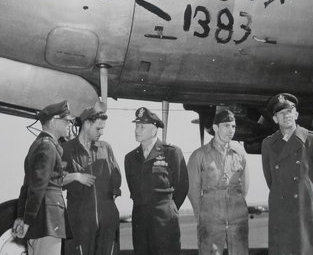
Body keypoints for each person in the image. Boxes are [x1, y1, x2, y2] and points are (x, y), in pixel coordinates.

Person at [261, 93, 313, 255]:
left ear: (296, 114)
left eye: (289, 111)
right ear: (275, 119)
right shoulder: (268, 144)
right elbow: (271, 179)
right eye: (281, 113)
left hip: (305, 207)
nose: (286, 116)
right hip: (281, 209)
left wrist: (307, 194)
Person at [124, 107, 189, 255]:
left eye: (142, 127)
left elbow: (182, 186)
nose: (137, 130)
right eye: (136, 126)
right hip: (140, 221)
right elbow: (134, 189)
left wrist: (168, 208)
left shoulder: (172, 152)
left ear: (154, 130)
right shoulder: (130, 158)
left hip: (164, 220)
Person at [13, 100, 74, 255]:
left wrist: (22, 217)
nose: (69, 124)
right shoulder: (47, 147)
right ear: (53, 122)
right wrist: (27, 220)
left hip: (42, 220)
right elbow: (38, 186)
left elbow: (27, 185)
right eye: (66, 121)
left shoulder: (40, 144)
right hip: (48, 220)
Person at [62, 101, 122, 255]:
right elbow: (54, 180)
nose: (101, 132)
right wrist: (76, 176)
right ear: (87, 124)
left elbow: (116, 179)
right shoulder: (66, 150)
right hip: (80, 224)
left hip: (107, 223)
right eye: (98, 128)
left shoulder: (105, 148)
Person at [187, 109, 249, 255]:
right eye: (226, 126)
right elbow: (193, 189)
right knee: (210, 252)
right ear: (215, 128)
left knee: (240, 251)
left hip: (237, 212)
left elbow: (245, 185)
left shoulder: (240, 152)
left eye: (233, 126)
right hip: (210, 212)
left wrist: (236, 201)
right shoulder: (199, 155)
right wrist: (201, 214)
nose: (231, 130)